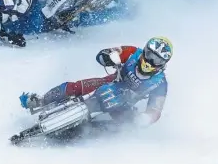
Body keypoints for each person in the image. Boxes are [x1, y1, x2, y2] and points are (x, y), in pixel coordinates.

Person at [19, 36, 173, 127]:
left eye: (156, 59)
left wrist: (144, 118)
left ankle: (87, 133)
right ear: (144, 50)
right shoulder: (133, 52)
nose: (150, 61)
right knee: (76, 87)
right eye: (149, 55)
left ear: (163, 63)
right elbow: (107, 53)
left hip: (124, 104)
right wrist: (108, 57)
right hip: (108, 82)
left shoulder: (160, 84)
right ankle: (41, 100)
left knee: (124, 125)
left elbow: (155, 110)